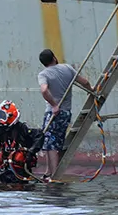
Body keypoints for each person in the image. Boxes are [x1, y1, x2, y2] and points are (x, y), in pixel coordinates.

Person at [38, 49, 92, 178]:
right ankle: (48, 172)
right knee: (55, 142)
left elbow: (44, 90)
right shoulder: (67, 68)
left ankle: (54, 174)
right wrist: (91, 90)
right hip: (66, 113)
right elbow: (84, 82)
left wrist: (54, 105)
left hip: (53, 113)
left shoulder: (43, 74)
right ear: (54, 58)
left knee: (50, 144)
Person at [0, 100, 44, 183]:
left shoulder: (21, 129)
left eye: (2, 116)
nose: (1, 120)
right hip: (5, 172)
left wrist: (31, 152)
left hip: (22, 172)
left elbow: (39, 136)